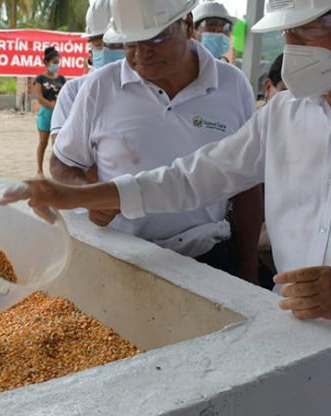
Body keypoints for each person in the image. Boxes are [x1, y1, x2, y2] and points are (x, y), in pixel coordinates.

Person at [1, 1, 331, 415]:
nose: (294, 53)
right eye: (287, 38)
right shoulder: (285, 113)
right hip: (294, 347)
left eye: (306, 34)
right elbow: (193, 177)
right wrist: (79, 195)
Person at [50, 0, 262, 284]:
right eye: (129, 43)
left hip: (207, 258)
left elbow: (247, 184)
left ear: (187, 25)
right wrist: (90, 195)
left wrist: (248, 266)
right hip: (121, 257)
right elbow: (62, 163)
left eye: (155, 38)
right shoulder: (100, 87)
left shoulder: (232, 86)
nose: (142, 53)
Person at [50, 0, 123, 144]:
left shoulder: (153, 89)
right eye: (98, 44)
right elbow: (62, 159)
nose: (107, 50)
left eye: (115, 44)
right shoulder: (73, 92)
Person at [33, 47, 66, 176]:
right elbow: (40, 98)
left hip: (59, 114)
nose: (56, 65)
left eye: (58, 62)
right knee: (43, 142)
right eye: (54, 62)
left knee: (58, 144)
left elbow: (65, 95)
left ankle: (58, 170)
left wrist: (59, 108)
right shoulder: (40, 78)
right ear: (46, 62)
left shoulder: (61, 79)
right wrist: (53, 107)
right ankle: (40, 170)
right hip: (46, 114)